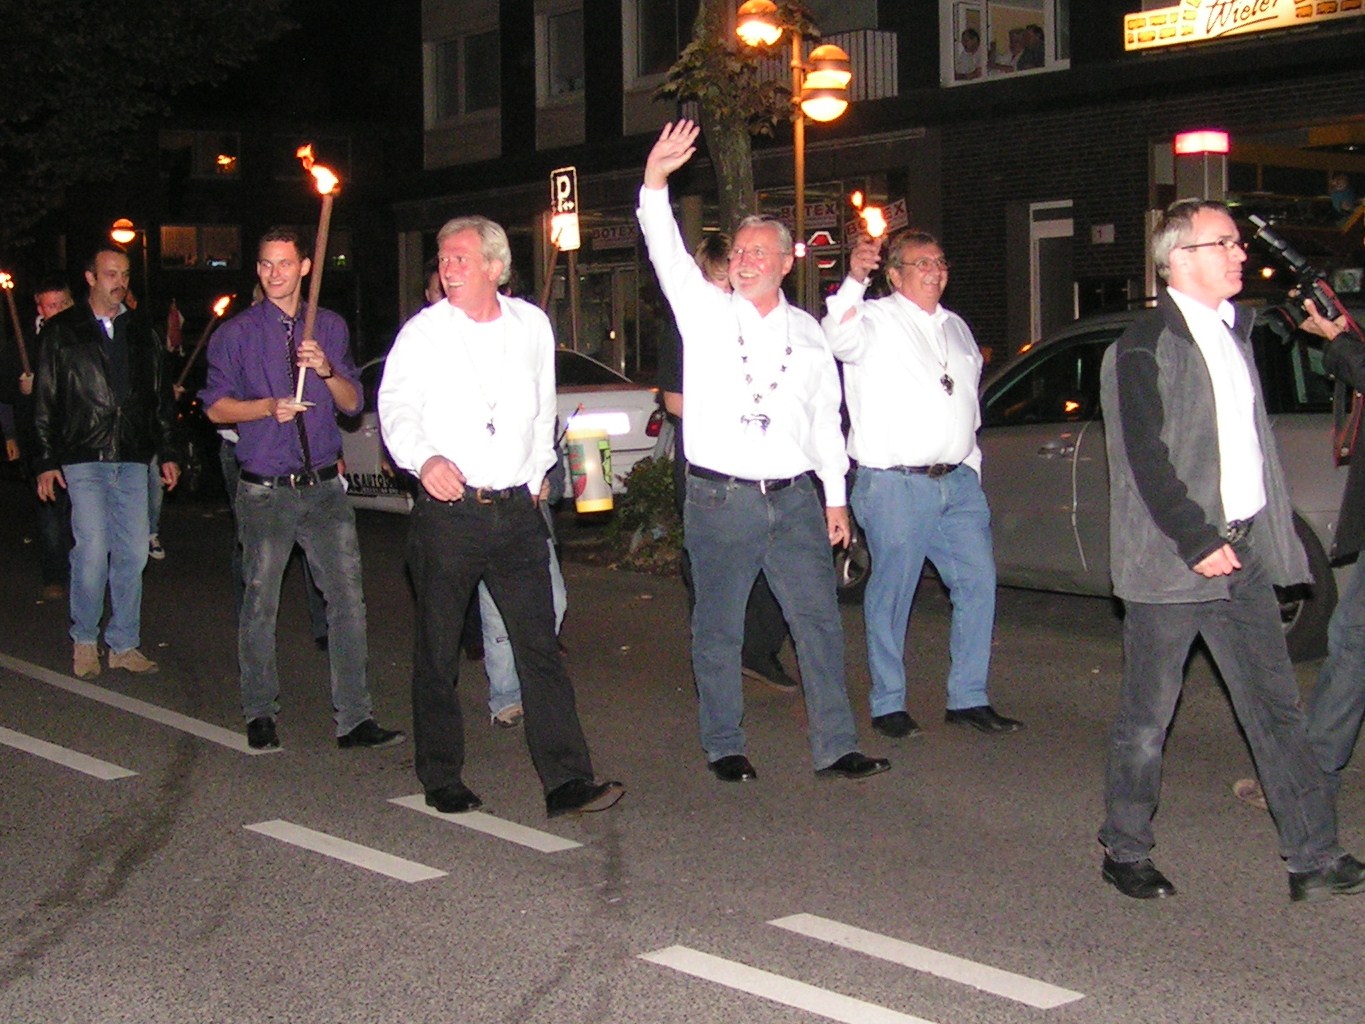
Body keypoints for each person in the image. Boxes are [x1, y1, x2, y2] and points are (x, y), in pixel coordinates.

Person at [1097, 198, 1365, 903]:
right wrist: (1196, 538)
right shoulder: (1140, 347)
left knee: (1275, 711)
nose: (1240, 254)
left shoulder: (1235, 331)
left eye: (1238, 243)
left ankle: (1313, 856)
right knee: (1148, 717)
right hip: (1173, 562)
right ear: (1178, 259)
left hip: (1242, 557)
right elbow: (1143, 459)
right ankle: (1124, 848)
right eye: (1224, 243)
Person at [637, 119, 890, 784]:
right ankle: (724, 744)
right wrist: (655, 180)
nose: (745, 260)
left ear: (784, 263)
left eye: (758, 252)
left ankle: (836, 747)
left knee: (818, 625)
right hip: (721, 498)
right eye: (739, 252)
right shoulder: (703, 311)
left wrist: (835, 500)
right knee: (718, 628)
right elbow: (664, 248)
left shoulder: (808, 333)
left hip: (795, 500)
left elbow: (825, 422)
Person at [378, 215, 624, 818]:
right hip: (450, 515)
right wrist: (424, 458)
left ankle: (567, 781)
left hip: (516, 512)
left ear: (494, 266)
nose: (447, 268)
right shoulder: (424, 333)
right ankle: (441, 775)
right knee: (438, 650)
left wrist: (537, 473)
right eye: (442, 258)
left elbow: (542, 408)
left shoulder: (531, 325)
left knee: (539, 649)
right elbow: (396, 407)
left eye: (460, 258)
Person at [203, 227, 403, 752]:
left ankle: (355, 718)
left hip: (324, 489)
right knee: (260, 602)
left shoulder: (329, 327)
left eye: (285, 264)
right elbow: (216, 407)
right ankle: (260, 712)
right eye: (266, 264)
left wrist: (327, 369)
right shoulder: (237, 333)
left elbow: (353, 403)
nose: (275, 274)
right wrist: (267, 407)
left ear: (305, 267)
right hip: (265, 489)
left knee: (347, 601)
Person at [824, 230, 1021, 739]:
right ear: (894, 275)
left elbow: (967, 404)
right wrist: (854, 279)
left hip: (957, 482)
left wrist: (971, 466)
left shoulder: (956, 327)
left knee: (978, 583)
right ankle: (888, 701)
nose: (934, 271)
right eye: (921, 263)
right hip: (896, 485)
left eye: (940, 262)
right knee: (894, 593)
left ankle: (968, 697)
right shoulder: (872, 319)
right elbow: (836, 338)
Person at [657, 232, 800, 694]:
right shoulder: (688, 324)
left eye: (730, 282)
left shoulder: (767, 324)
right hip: (705, 463)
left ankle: (758, 649)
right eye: (717, 282)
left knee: (772, 561)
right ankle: (718, 658)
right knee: (711, 566)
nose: (726, 292)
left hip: (760, 466)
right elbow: (674, 400)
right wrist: (727, 411)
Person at [33, 246, 180, 679]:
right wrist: (45, 459)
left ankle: (123, 643)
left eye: (125, 274)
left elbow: (159, 397)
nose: (120, 282)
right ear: (91, 278)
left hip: (132, 455)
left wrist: (168, 451)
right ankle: (84, 639)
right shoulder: (63, 331)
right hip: (84, 453)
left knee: (133, 551)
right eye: (111, 274)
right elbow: (45, 398)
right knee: (93, 548)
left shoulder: (141, 332)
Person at [12, 275, 75, 601]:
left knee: (82, 512)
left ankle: (84, 575)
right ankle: (54, 574)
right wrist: (21, 388)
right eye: (52, 306)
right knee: (50, 512)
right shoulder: (25, 342)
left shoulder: (84, 334)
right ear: (40, 308)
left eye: (64, 304)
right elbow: (7, 385)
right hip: (42, 440)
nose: (59, 311)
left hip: (78, 438)